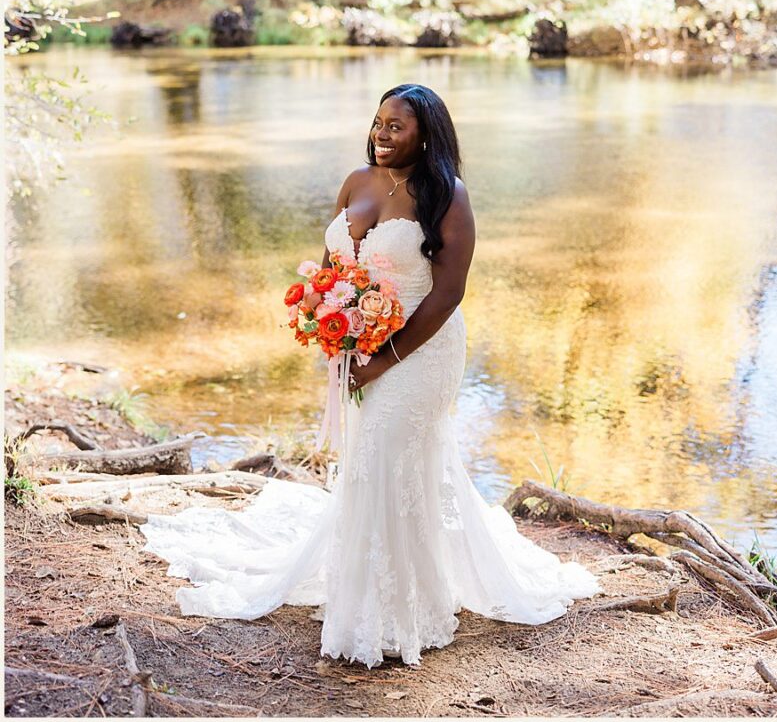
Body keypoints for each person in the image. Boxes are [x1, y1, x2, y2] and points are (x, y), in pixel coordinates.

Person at [141, 84, 600, 666]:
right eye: (379, 122)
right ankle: (369, 593)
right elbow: (335, 265)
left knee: (384, 455)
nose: (383, 134)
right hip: (359, 347)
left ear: (426, 134)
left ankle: (397, 611)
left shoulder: (447, 196)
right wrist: (334, 320)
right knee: (370, 464)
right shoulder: (357, 182)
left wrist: (387, 354)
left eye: (397, 126)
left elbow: (449, 292)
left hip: (422, 347)